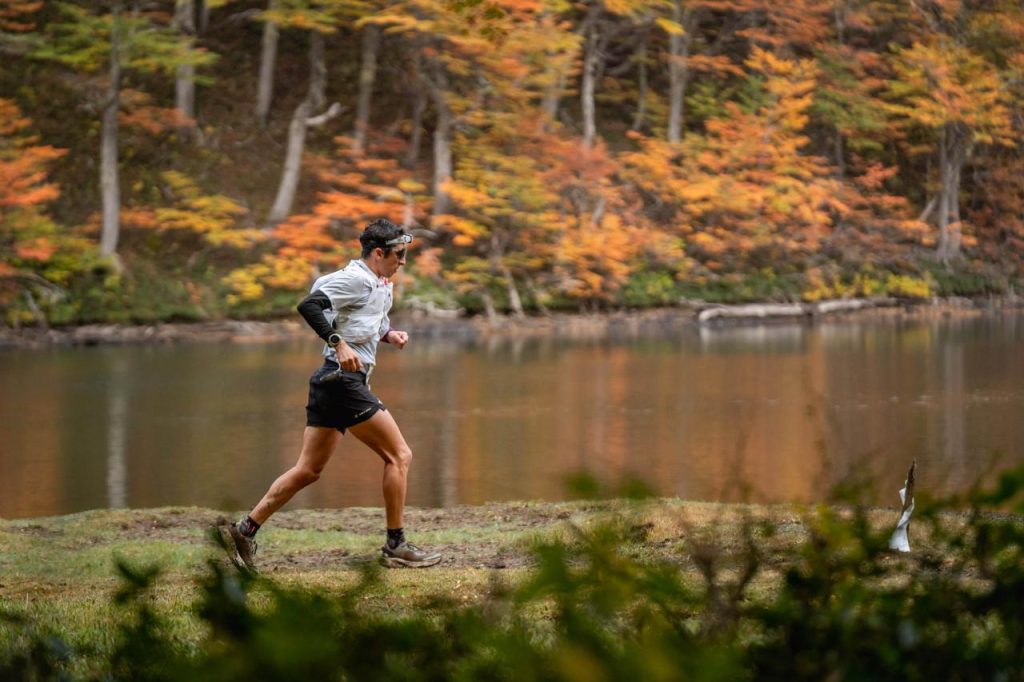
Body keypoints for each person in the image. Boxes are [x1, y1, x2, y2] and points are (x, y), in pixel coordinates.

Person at [223, 218, 442, 570]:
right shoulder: (356, 279)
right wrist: (337, 343)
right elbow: (309, 305)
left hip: (330, 382)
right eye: (398, 255)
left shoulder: (380, 283)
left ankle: (244, 530)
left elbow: (364, 319)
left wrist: (389, 335)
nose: (403, 262)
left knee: (308, 470)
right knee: (399, 455)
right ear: (378, 253)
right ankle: (396, 545)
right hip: (342, 382)